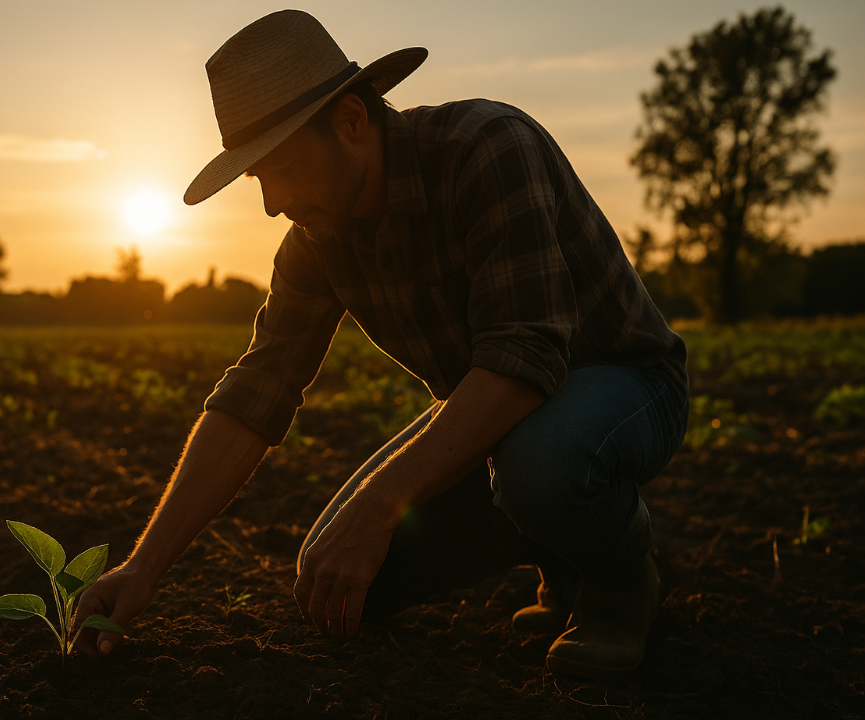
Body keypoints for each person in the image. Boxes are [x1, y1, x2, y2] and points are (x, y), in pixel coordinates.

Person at [74, 9, 689, 679]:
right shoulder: (316, 242)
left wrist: (377, 506)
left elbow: (526, 359)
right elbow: (258, 392)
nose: (273, 202)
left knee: (542, 463)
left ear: (352, 121)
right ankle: (565, 552)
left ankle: (622, 576)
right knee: (336, 582)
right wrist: (144, 565)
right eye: (258, 180)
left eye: (281, 167)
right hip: (503, 422)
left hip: (626, 384)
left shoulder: (488, 148)